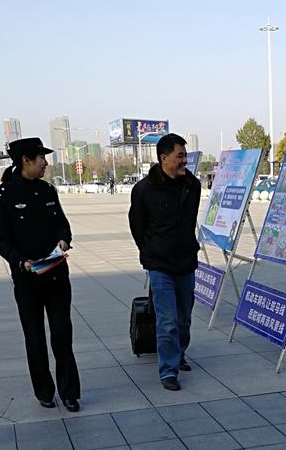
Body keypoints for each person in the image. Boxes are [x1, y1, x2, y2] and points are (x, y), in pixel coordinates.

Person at [0, 137, 81, 412]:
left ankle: (69, 392)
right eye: (41, 158)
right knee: (34, 337)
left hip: (56, 276)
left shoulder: (48, 190)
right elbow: (1, 239)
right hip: (27, 279)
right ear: (26, 160)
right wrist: (20, 262)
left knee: (62, 334)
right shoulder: (4, 195)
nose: (45, 163)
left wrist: (64, 239)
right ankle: (44, 390)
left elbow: (63, 224)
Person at [128, 133, 201, 391]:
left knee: (184, 320)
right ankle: (168, 370)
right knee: (167, 321)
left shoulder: (192, 185)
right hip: (160, 265)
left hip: (186, 263)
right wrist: (150, 251)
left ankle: (179, 353)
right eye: (180, 156)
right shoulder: (143, 190)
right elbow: (137, 226)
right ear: (164, 158)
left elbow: (189, 222)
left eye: (185, 156)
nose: (184, 161)